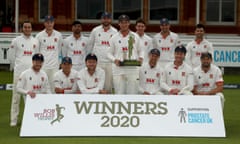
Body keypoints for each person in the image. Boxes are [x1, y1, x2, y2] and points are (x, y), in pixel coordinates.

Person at [9, 20, 39, 127]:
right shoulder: (16, 41)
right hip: (19, 72)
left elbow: (37, 57)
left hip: (31, 74)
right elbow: (11, 57)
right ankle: (13, 120)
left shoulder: (36, 41)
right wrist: (16, 68)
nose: (27, 29)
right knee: (16, 96)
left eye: (29, 27)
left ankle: (30, 119)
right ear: (22, 28)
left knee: (30, 96)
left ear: (31, 29)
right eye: (25, 27)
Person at [108, 14, 144, 94]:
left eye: (126, 22)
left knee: (133, 91)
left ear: (129, 23)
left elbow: (141, 50)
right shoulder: (114, 37)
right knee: (119, 92)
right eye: (122, 22)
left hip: (132, 67)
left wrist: (141, 58)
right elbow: (108, 53)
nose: (124, 24)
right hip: (119, 68)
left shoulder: (135, 36)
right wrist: (114, 60)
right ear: (119, 24)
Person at [88, 12, 117, 93]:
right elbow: (90, 45)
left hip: (109, 63)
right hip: (98, 63)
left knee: (108, 85)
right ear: (101, 19)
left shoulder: (115, 32)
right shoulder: (95, 30)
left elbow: (116, 48)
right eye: (104, 18)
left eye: (108, 18)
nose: (106, 20)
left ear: (110, 20)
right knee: (97, 85)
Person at [35, 15, 63, 93]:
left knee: (54, 87)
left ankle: (53, 104)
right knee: (42, 86)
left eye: (51, 22)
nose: (49, 24)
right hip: (43, 66)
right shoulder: (39, 36)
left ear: (53, 23)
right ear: (44, 23)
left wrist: (59, 63)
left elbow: (60, 50)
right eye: (47, 22)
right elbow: (37, 51)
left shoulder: (58, 35)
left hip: (54, 66)